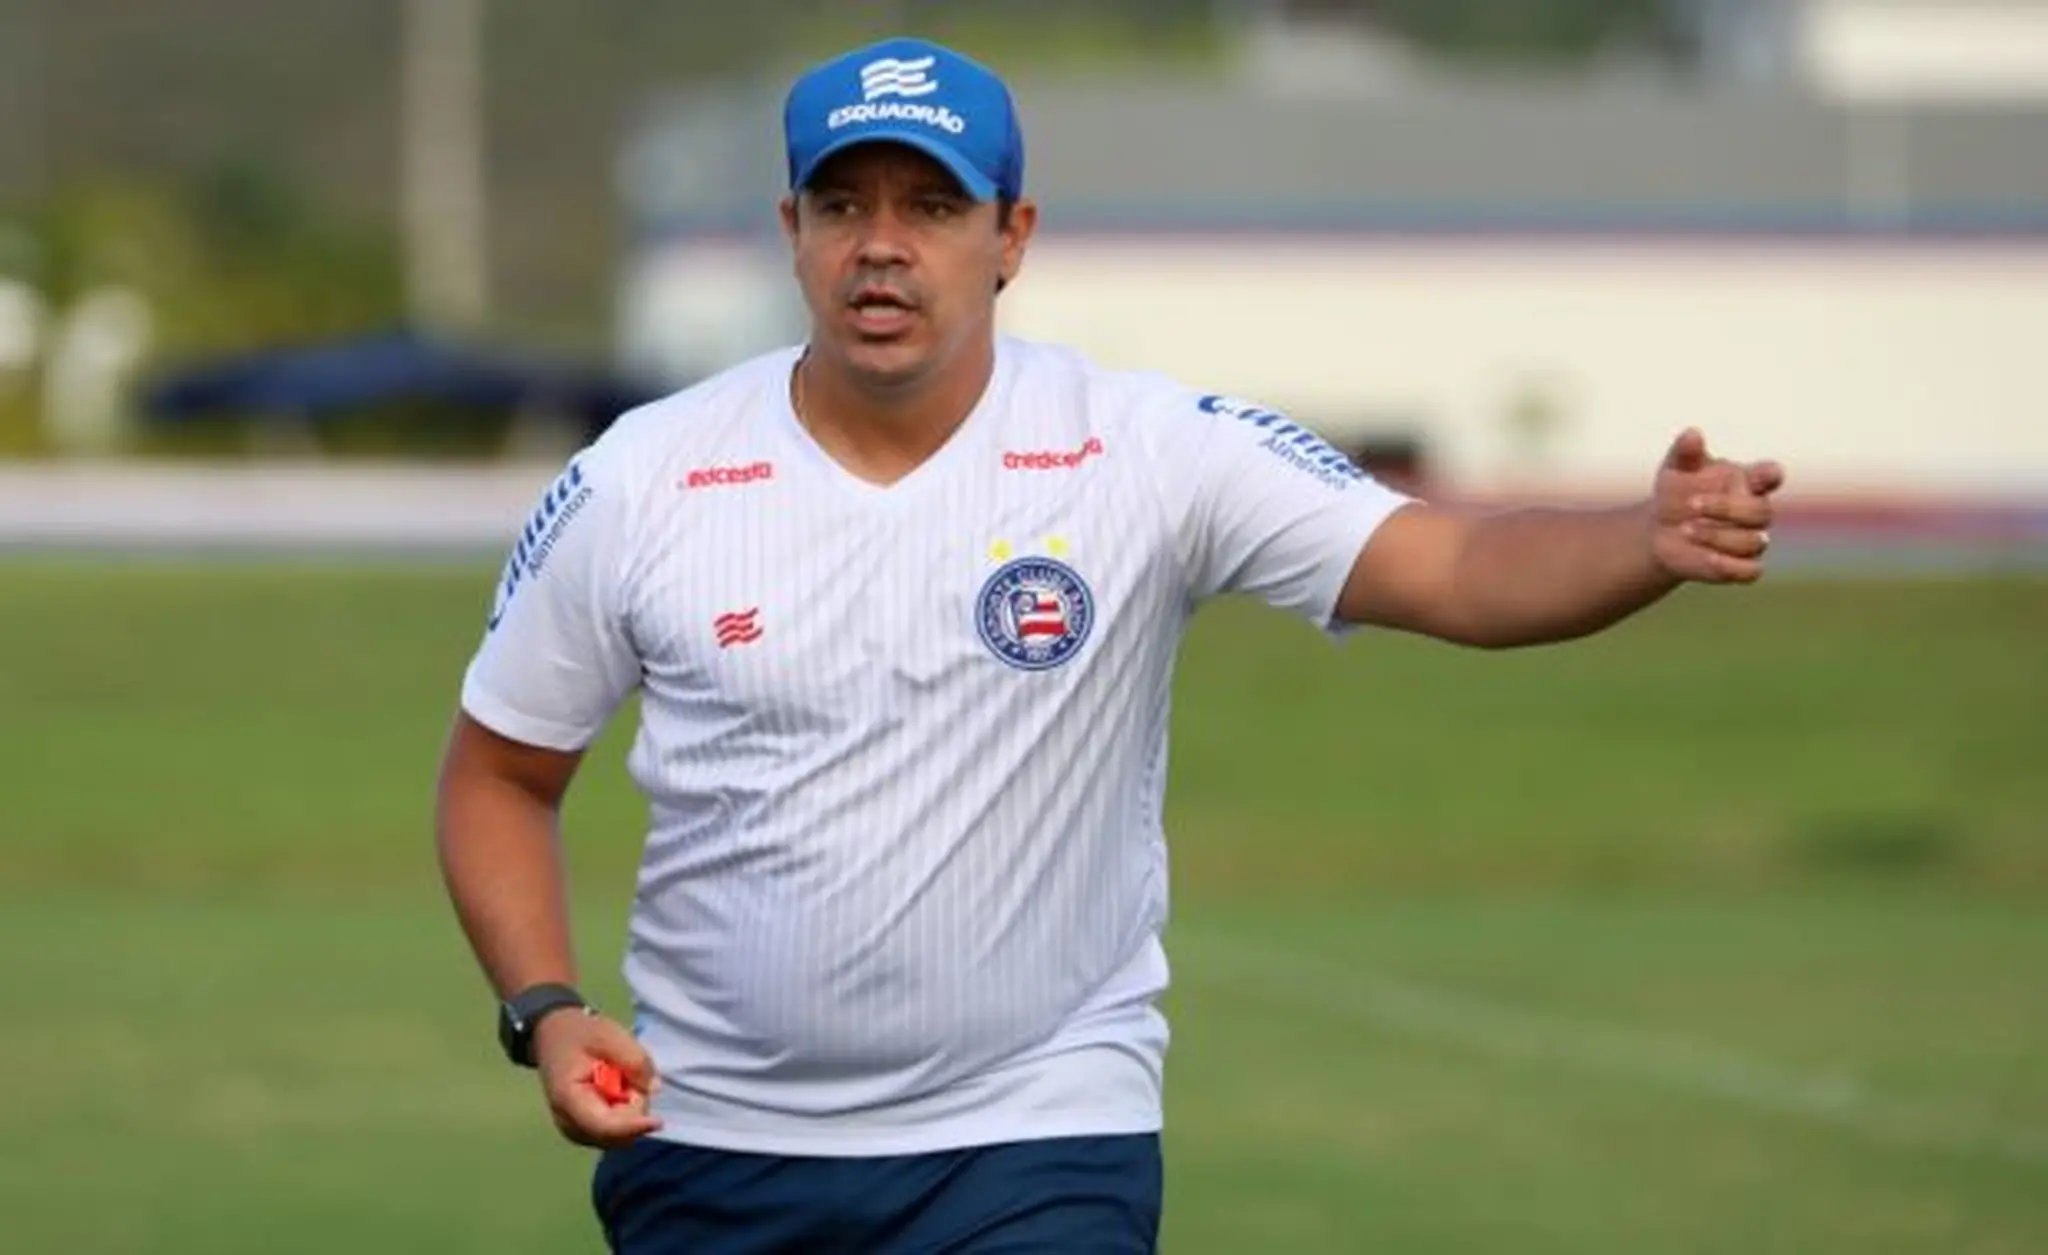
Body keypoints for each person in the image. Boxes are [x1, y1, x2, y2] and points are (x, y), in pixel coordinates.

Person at [432, 34, 1785, 1255]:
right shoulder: (644, 479)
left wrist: (1642, 538)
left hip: (1038, 1137)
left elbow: (1449, 564)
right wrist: (545, 1008)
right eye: (843, 206)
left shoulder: (1143, 450)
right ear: (791, 231)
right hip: (711, 1143)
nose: (881, 246)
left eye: (932, 207)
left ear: (1011, 234)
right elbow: (499, 775)